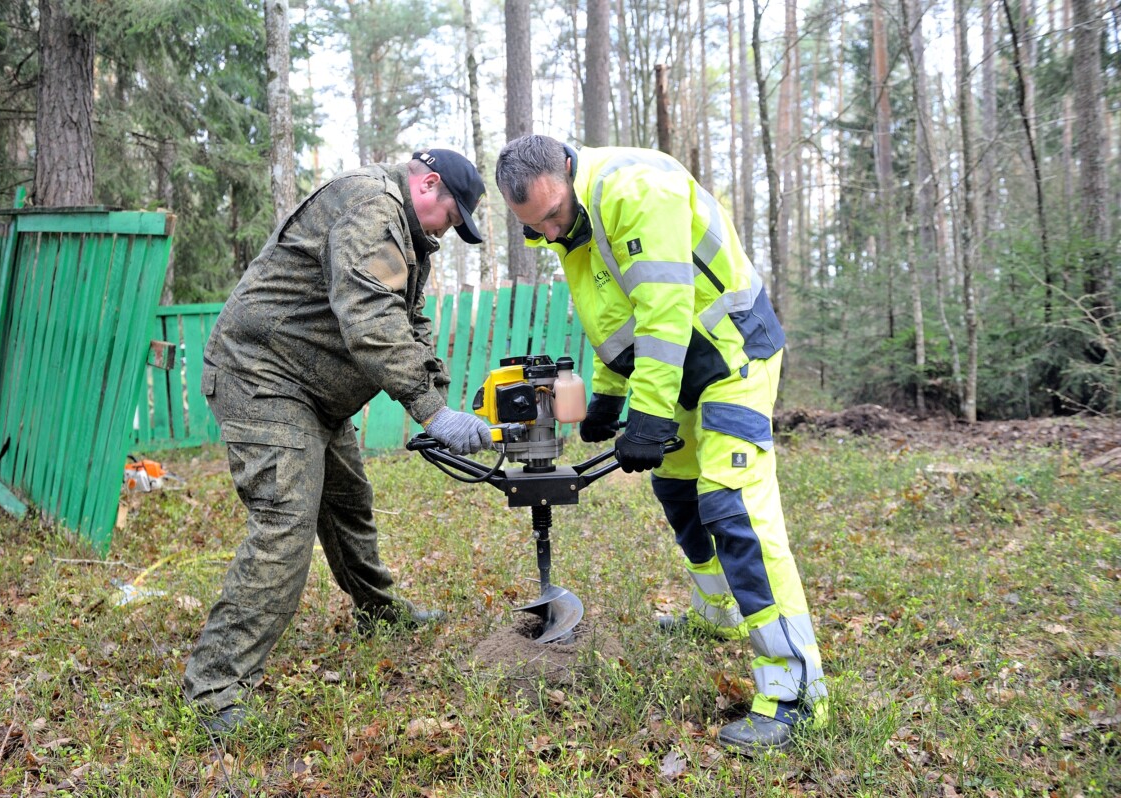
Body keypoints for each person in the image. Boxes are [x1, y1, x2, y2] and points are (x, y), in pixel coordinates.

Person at [495, 134, 827, 754]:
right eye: (535, 228)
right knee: (676, 487)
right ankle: (718, 613)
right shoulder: (570, 225)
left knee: (732, 506)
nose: (550, 232)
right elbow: (617, 315)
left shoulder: (636, 190)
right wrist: (608, 395)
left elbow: (665, 310)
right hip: (679, 371)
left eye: (553, 217)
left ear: (567, 170)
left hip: (731, 357)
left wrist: (646, 418)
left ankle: (796, 693)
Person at [184, 148, 493, 733]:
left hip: (312, 386)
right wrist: (431, 412)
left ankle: (377, 611)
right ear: (428, 184)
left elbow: (407, 321)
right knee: (285, 523)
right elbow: (371, 321)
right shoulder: (370, 206)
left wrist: (440, 401)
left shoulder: (402, 229)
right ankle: (214, 688)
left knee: (348, 502)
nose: (447, 231)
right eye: (451, 216)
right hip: (265, 376)